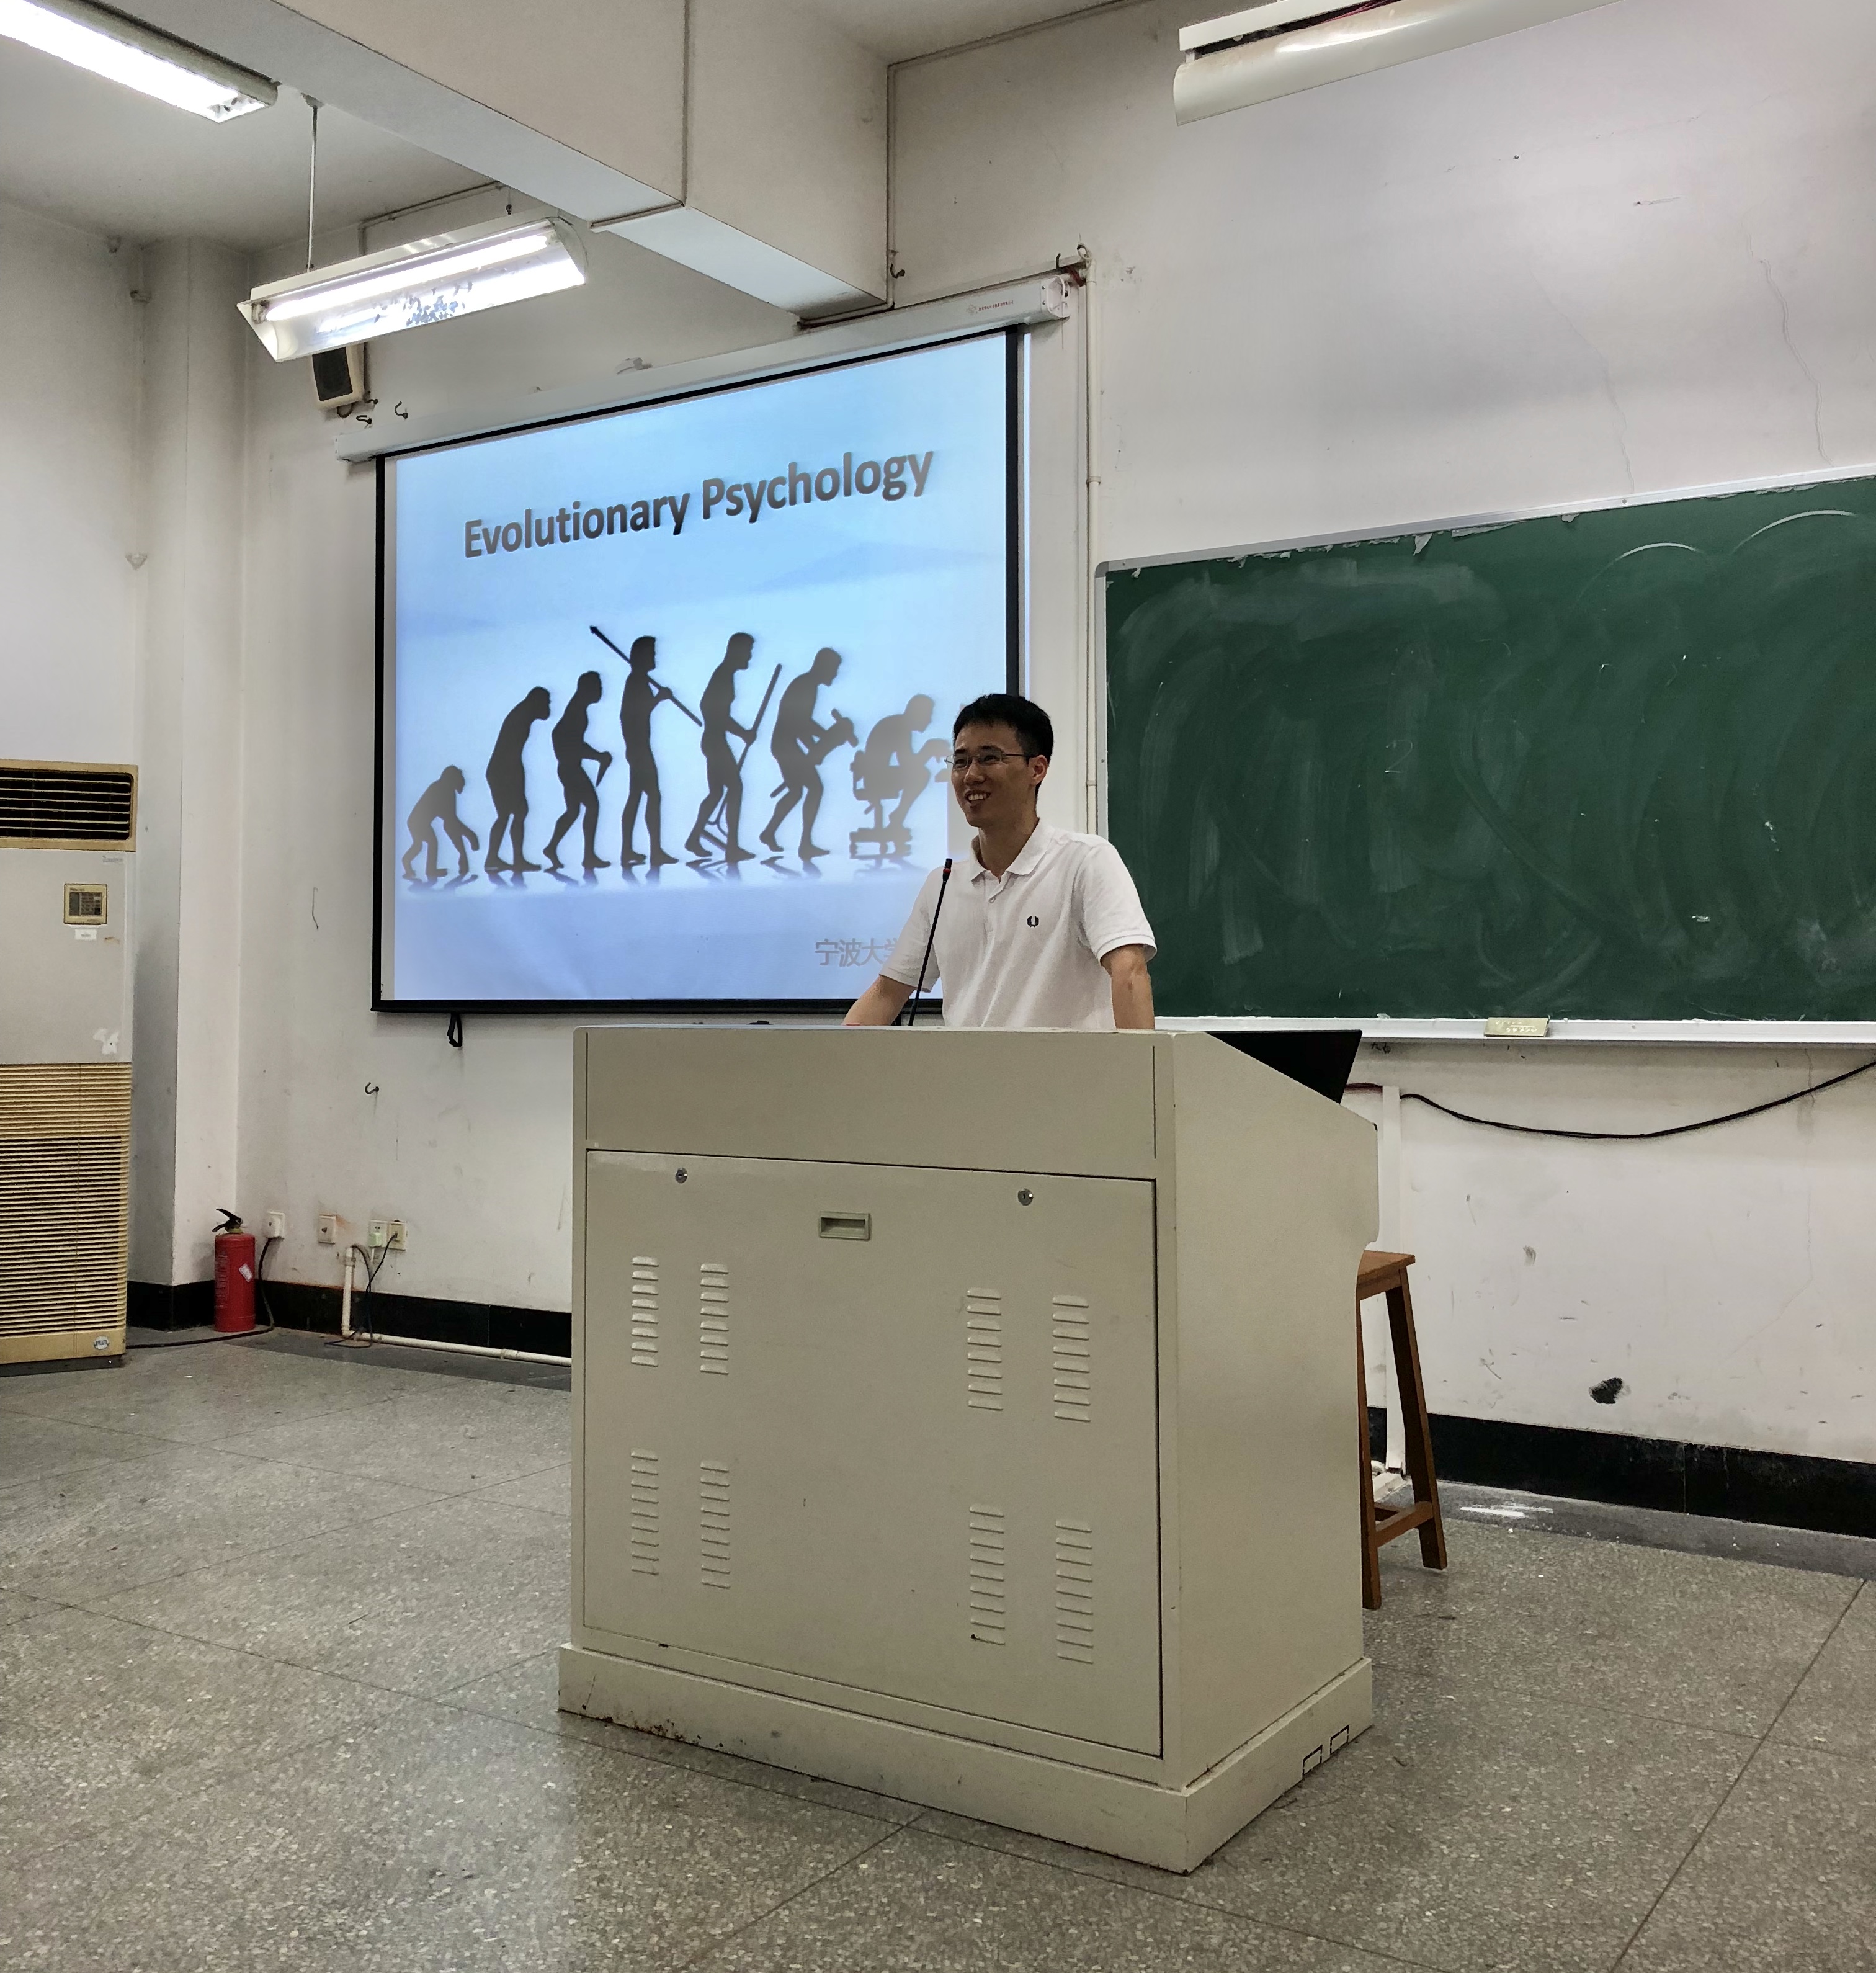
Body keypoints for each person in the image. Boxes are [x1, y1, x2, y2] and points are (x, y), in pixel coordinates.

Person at [844, 693, 1155, 1031]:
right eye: (961, 761)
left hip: (1062, 1066)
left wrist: (1141, 1063)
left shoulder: (1085, 861)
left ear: (1037, 769)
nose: (971, 775)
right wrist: (829, 1056)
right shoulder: (943, 884)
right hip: (964, 1066)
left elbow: (1129, 972)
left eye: (989, 758)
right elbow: (887, 994)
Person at [761, 646, 855, 859]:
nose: (836, 674)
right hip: (785, 746)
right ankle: (804, 844)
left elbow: (803, 723)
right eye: (834, 669)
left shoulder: (808, 685)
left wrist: (820, 743)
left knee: (796, 792)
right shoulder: (805, 686)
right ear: (824, 667)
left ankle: (770, 833)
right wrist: (821, 742)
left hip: (786, 744)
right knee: (815, 788)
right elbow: (800, 724)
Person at [686, 632, 759, 862]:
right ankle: (732, 848)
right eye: (748, 651)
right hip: (715, 742)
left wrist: (740, 733)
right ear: (736, 651)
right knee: (735, 788)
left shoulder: (725, 675)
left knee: (717, 792)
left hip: (714, 740)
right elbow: (713, 711)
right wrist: (743, 733)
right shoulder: (723, 676)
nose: (749, 657)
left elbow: (713, 711)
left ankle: (694, 838)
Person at [618, 635, 681, 867]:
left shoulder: (639, 680)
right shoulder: (636, 682)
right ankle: (654, 851)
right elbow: (630, 715)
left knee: (636, 797)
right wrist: (659, 699)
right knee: (653, 796)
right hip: (639, 749)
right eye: (651, 654)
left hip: (638, 747)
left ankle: (629, 850)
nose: (654, 657)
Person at [543, 669, 613, 872]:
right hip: (570, 769)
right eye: (598, 687)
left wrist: (596, 755)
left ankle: (551, 848)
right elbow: (569, 742)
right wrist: (598, 756)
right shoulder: (577, 712)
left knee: (573, 811)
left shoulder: (578, 709)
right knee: (593, 806)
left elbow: (573, 741)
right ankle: (588, 856)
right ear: (587, 689)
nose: (601, 691)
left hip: (569, 767)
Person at [485, 685, 552, 873]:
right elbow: (508, 751)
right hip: (504, 770)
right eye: (546, 702)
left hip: (506, 769)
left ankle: (505, 859)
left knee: (516, 813)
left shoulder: (523, 714)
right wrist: (515, 778)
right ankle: (500, 859)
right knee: (510, 813)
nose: (548, 707)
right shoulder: (522, 715)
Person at [402, 765, 479, 880]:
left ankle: (408, 863)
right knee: (431, 843)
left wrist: (466, 845)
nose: (460, 789)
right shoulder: (442, 790)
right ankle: (430, 870)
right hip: (418, 822)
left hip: (415, 821)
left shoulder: (444, 789)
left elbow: (450, 821)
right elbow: (451, 821)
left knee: (418, 845)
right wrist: (471, 837)